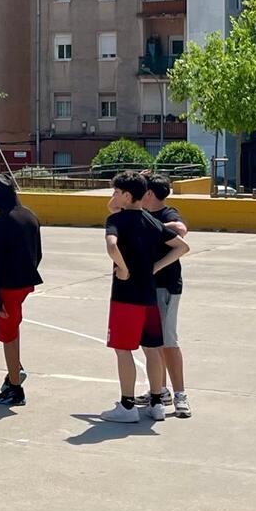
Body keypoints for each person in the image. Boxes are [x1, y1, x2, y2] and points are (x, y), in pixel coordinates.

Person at [100, 171, 190, 423]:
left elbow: (111, 245)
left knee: (123, 349)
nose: (114, 196)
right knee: (152, 349)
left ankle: (127, 405)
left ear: (127, 196)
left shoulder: (116, 220)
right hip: (149, 294)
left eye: (117, 192)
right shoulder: (152, 222)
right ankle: (156, 402)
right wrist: (154, 267)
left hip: (125, 296)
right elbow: (182, 247)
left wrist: (125, 268)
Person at [0, 173, 43, 407]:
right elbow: (38, 253)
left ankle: (15, 387)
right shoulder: (29, 215)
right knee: (14, 327)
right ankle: (15, 370)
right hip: (26, 282)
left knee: (8, 335)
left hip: (7, 286)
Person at [140, 174, 191, 418]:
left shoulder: (168, 214)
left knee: (168, 342)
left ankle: (180, 394)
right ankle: (159, 391)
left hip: (165, 286)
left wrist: (154, 226)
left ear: (149, 194)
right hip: (147, 288)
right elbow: (113, 205)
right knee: (152, 342)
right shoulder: (140, 213)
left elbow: (181, 230)